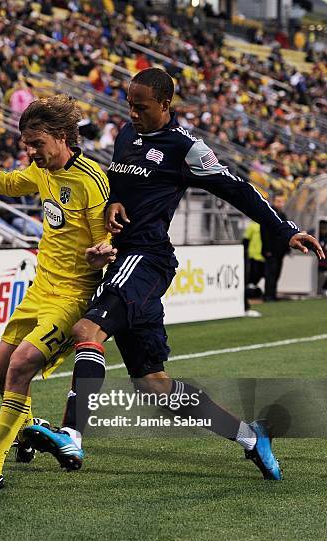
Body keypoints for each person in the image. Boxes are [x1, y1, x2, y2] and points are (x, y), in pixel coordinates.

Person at [23, 69, 324, 481]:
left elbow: (237, 189)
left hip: (146, 259)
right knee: (154, 386)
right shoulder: (127, 137)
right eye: (129, 104)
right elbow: (116, 183)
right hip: (123, 261)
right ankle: (251, 437)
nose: (132, 113)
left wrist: (286, 231)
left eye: (141, 106)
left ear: (165, 104)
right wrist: (111, 202)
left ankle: (73, 434)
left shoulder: (187, 149)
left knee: (87, 331)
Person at [0, 95, 116, 493]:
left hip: (73, 296)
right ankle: (32, 428)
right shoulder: (39, 172)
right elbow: (5, 183)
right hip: (39, 290)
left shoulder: (90, 179)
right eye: (27, 145)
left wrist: (103, 249)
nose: (31, 152)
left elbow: (107, 232)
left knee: (20, 366)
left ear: (63, 137)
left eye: (37, 144)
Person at [261, 191, 290, 301]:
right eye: (278, 201)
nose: (280, 204)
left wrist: (286, 248)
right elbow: (264, 232)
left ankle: (272, 294)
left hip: (280, 250)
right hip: (271, 250)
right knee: (270, 273)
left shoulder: (282, 215)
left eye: (282, 201)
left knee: (276, 273)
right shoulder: (268, 213)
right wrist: (267, 249)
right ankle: (268, 295)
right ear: (273, 201)